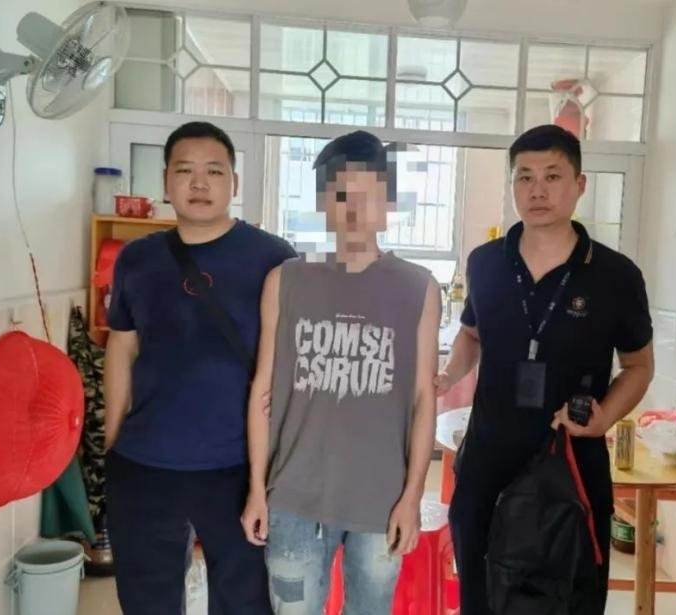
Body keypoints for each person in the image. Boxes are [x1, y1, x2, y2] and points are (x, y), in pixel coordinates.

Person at [436, 124, 655, 614]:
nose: (538, 190)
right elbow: (471, 334)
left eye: (553, 176)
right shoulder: (485, 263)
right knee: (481, 596)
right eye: (525, 177)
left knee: (568, 599)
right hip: (487, 463)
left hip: (571, 467)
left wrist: (604, 417)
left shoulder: (616, 275)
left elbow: (639, 366)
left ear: (579, 184)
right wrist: (449, 375)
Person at [241, 130, 441, 614]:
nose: (354, 211)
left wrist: (412, 496)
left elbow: (423, 398)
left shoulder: (418, 287)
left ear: (388, 204)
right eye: (341, 196)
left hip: (380, 501)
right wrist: (257, 489)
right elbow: (262, 389)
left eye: (368, 196)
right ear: (322, 203)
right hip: (293, 497)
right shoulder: (285, 280)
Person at [104, 121, 295, 615]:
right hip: (146, 462)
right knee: (148, 600)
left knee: (244, 601)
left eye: (214, 170)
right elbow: (122, 348)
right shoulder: (137, 259)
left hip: (238, 465)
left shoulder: (273, 257)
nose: (199, 182)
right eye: (184, 170)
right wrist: (113, 440)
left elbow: (291, 360)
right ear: (166, 182)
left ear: (234, 182)